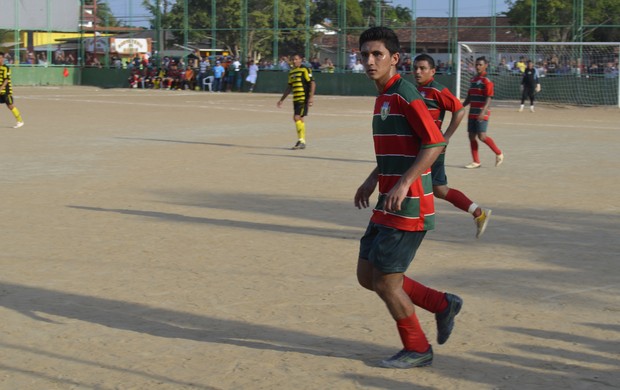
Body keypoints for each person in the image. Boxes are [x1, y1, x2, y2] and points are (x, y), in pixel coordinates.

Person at [354, 26, 462, 369]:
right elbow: (401, 147)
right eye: (365, 54)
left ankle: (417, 347)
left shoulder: (405, 94)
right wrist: (373, 179)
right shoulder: (383, 95)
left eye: (378, 55)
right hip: (387, 199)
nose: (370, 61)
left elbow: (434, 142)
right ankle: (441, 303)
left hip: (409, 203)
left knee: (386, 282)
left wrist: (403, 184)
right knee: (366, 275)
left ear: (394, 59)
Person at [413, 54, 491, 238]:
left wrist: (446, 137)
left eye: (422, 68)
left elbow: (459, 109)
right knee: (439, 189)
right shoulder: (414, 90)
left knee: (411, 182)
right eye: (415, 67)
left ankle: (412, 224)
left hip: (431, 148)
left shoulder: (437, 90)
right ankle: (478, 213)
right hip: (419, 146)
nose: (417, 71)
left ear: (432, 71)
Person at [462, 56, 504, 169]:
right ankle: (476, 161)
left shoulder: (487, 81)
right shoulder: (473, 79)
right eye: (476, 64)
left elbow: (489, 97)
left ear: (486, 66)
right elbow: (469, 96)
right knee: (471, 136)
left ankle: (498, 153)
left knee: (482, 136)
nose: (478, 66)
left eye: (480, 64)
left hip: (482, 112)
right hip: (472, 112)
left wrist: (483, 111)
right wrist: (461, 106)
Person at [276, 54, 316, 150]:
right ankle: (302, 141)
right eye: (293, 59)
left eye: (296, 59)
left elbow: (312, 83)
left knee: (296, 117)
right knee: (300, 119)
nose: (294, 61)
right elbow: (289, 87)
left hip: (303, 98)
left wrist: (311, 97)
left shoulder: (305, 69)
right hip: (296, 99)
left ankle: (301, 141)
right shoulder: (292, 72)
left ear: (301, 60)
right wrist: (282, 99)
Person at [0, 52, 24, 128]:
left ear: (3, 58)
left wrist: (1, 89)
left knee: (10, 106)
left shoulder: (6, 68)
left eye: (0, 58)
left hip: (6, 91)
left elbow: (6, 80)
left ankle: (20, 121)